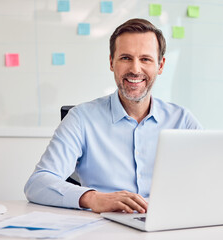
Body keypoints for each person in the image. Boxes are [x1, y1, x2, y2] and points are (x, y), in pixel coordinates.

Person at [24, 18, 202, 214]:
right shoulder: (81, 119)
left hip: (166, 225)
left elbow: (212, 178)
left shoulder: (182, 121)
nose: (135, 69)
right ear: (111, 62)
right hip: (103, 228)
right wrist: (92, 198)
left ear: (160, 65)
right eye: (126, 58)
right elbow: (37, 183)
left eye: (145, 59)